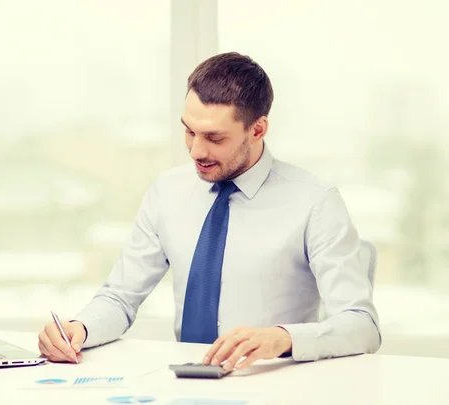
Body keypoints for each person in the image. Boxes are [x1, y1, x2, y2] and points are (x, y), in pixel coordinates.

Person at [37, 52, 381, 371]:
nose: (195, 150)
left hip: (272, 386)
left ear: (257, 129)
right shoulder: (167, 192)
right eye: (189, 131)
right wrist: (79, 329)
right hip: (183, 385)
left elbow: (361, 325)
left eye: (215, 138)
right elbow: (120, 297)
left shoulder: (315, 202)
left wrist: (283, 338)